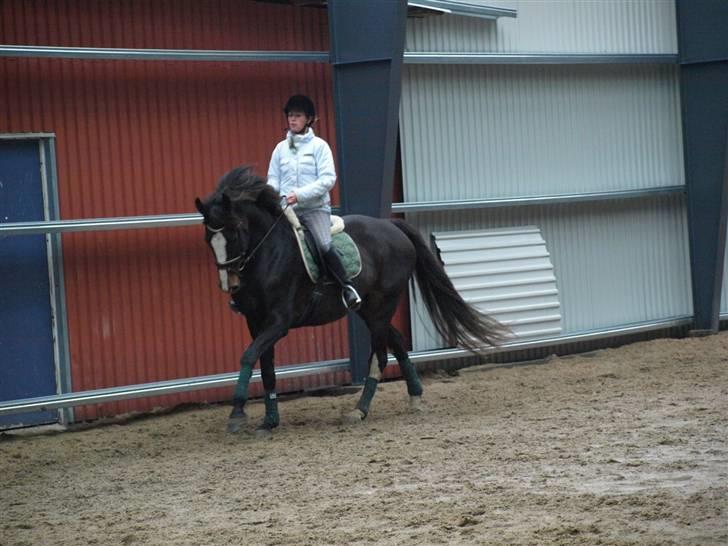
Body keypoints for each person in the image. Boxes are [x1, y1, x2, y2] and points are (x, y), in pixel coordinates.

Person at [266, 94, 362, 310]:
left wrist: (298, 195)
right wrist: (273, 196)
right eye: (290, 115)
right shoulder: (280, 149)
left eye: (297, 116)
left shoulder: (320, 147)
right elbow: (273, 179)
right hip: (286, 209)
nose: (292, 120)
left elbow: (328, 179)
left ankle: (347, 287)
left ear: (308, 119)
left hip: (314, 209)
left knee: (323, 244)